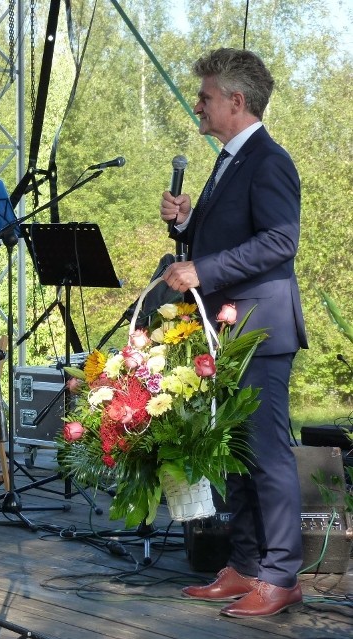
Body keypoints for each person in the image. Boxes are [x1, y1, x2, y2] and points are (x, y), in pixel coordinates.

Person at [160, 48, 307, 618]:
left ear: (236, 101)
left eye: (206, 98)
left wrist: (203, 269)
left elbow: (279, 241)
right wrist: (188, 224)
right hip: (229, 330)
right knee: (238, 456)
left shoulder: (269, 160)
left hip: (261, 330)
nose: (198, 105)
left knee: (268, 454)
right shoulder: (229, 159)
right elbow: (230, 235)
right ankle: (246, 564)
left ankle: (281, 574)